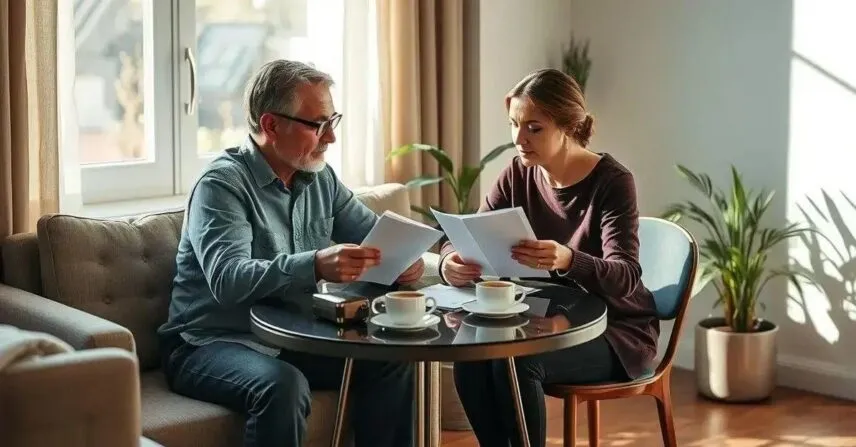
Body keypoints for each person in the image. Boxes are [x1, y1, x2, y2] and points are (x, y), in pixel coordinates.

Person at [157, 60, 423, 447]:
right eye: (318, 125)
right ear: (271, 125)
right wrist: (315, 265)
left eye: (333, 121)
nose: (331, 137)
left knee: (390, 359)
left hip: (293, 337)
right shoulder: (221, 185)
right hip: (208, 343)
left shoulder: (320, 178)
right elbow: (228, 280)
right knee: (282, 386)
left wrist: (404, 260)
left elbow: (376, 238)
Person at [441, 68, 659, 447]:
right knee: (471, 358)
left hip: (615, 329)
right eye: (514, 125)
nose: (518, 139)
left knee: (520, 363)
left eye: (534, 128)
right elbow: (466, 233)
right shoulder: (518, 173)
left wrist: (568, 259)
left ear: (568, 127)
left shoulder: (612, 182)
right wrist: (449, 262)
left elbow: (625, 276)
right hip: (543, 317)